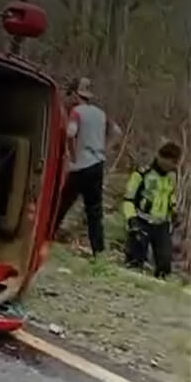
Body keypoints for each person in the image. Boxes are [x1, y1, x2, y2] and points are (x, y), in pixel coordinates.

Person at [54, 78, 119, 256]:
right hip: (98, 163)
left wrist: (72, 153)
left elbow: (70, 133)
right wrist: (105, 148)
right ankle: (98, 250)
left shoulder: (77, 112)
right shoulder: (100, 113)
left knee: (63, 202)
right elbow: (117, 132)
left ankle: (49, 234)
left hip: (81, 164)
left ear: (76, 94)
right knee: (94, 210)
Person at [123, 142, 182, 279]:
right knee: (135, 261)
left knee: (164, 265)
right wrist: (131, 220)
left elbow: (170, 194)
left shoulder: (171, 176)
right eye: (172, 162)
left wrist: (173, 210)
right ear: (162, 158)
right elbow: (128, 199)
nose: (174, 166)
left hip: (161, 224)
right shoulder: (143, 173)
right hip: (141, 221)